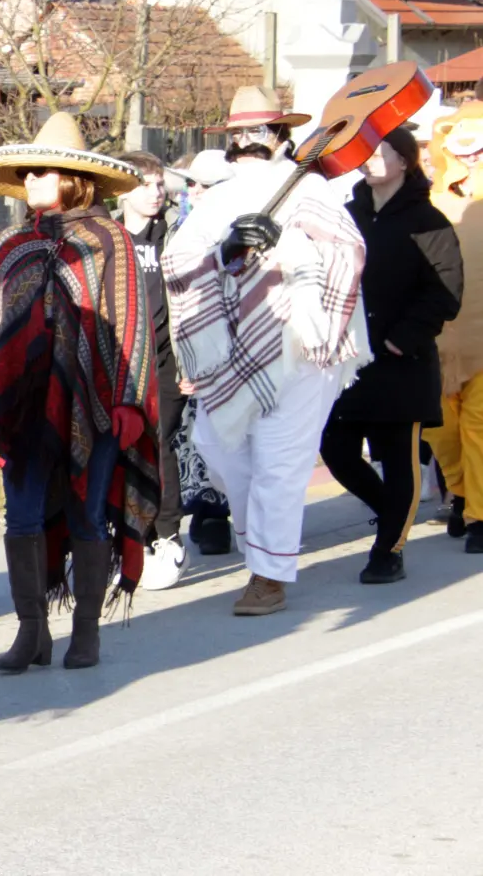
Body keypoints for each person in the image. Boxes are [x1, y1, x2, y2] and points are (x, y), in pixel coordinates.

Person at [163, 86, 369, 616]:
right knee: (218, 447)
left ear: (280, 136)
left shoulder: (311, 189)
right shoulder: (217, 198)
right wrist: (224, 252)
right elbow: (179, 261)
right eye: (238, 134)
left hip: (300, 343)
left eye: (259, 131)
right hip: (231, 347)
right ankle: (262, 540)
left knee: (281, 459)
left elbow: (349, 249)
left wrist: (293, 241)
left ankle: (268, 573)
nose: (248, 141)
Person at [0, 114, 158, 672]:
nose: (30, 182)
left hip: (92, 402)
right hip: (24, 405)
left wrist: (127, 399)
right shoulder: (13, 244)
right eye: (25, 174)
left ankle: (86, 632)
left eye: (42, 172)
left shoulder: (108, 240)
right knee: (20, 517)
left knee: (87, 514)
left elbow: (129, 322)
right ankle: (32, 631)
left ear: (75, 178)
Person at [319, 129, 462, 583]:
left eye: (380, 153)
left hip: (403, 359)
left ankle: (389, 549)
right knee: (336, 449)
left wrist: (406, 336)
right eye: (365, 153)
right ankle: (389, 511)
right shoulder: (346, 216)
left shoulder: (429, 220)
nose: (369, 161)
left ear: (404, 161)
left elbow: (446, 291)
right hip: (350, 356)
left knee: (399, 454)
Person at [115, 151, 190, 590]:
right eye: (145, 183)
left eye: (160, 184)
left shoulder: (176, 235)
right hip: (122, 362)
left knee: (158, 444)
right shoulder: (110, 236)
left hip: (166, 360)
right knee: (124, 450)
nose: (156, 192)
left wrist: (191, 361)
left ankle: (168, 535)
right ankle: (131, 536)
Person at [163, 149, 236, 555]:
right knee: (193, 436)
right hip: (186, 343)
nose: (194, 191)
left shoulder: (237, 224)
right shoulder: (178, 225)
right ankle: (208, 512)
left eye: (204, 185)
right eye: (191, 184)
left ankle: (233, 514)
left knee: (229, 434)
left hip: (230, 346)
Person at [425, 103, 483, 553]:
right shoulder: (430, 205)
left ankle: (480, 514)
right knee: (440, 430)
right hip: (437, 340)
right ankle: (460, 491)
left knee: (479, 429)